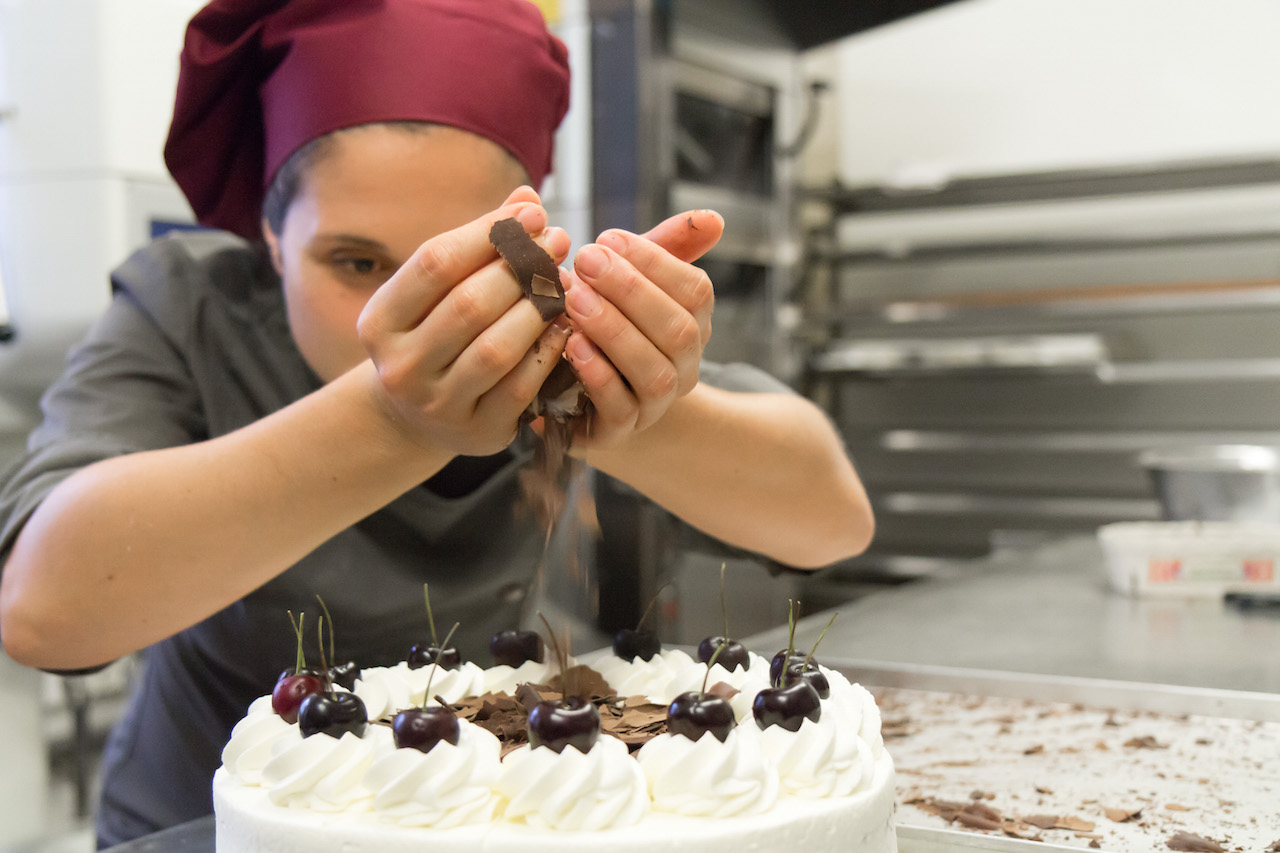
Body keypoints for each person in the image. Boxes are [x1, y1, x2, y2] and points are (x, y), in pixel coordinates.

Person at [0, 0, 873, 845]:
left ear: (530, 243)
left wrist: (642, 413)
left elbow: (830, 520)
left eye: (468, 265)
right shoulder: (189, 308)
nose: (413, 315)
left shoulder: (544, 327)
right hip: (194, 821)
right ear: (270, 238)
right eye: (354, 261)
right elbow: (46, 607)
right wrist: (392, 420)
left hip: (470, 812)